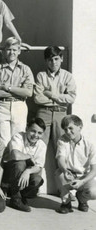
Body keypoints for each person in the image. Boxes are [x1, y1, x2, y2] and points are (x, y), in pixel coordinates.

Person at [34, 46, 76, 193]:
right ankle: (33, 187)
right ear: (46, 61)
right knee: (39, 147)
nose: (54, 62)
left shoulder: (67, 76)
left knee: (62, 150)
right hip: (44, 113)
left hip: (60, 114)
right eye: (50, 59)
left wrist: (52, 95)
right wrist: (59, 98)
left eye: (56, 59)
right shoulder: (41, 76)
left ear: (62, 59)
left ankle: (64, 189)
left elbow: (71, 97)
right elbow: (38, 98)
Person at [0, 37, 34, 145]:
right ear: (4, 51)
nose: (12, 52)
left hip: (19, 105)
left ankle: (16, 162)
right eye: (9, 49)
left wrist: (8, 87)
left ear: (19, 51)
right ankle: (4, 162)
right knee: (2, 140)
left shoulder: (25, 69)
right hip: (3, 105)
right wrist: (18, 90)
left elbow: (28, 92)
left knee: (18, 139)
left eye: (14, 50)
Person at [2, 118, 47, 212]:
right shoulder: (18, 137)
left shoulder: (41, 145)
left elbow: (39, 167)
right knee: (20, 163)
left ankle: (20, 195)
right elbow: (15, 155)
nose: (36, 135)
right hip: (8, 174)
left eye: (39, 133)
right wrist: (29, 156)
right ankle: (16, 199)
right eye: (33, 131)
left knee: (38, 180)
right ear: (27, 128)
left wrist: (28, 171)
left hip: (22, 175)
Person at [56, 115, 96, 214]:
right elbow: (61, 158)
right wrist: (65, 170)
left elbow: (94, 170)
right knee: (60, 174)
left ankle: (82, 199)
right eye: (65, 129)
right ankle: (66, 203)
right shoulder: (62, 140)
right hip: (69, 173)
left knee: (94, 192)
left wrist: (82, 182)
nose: (68, 132)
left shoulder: (90, 144)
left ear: (80, 127)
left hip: (84, 176)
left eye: (70, 128)